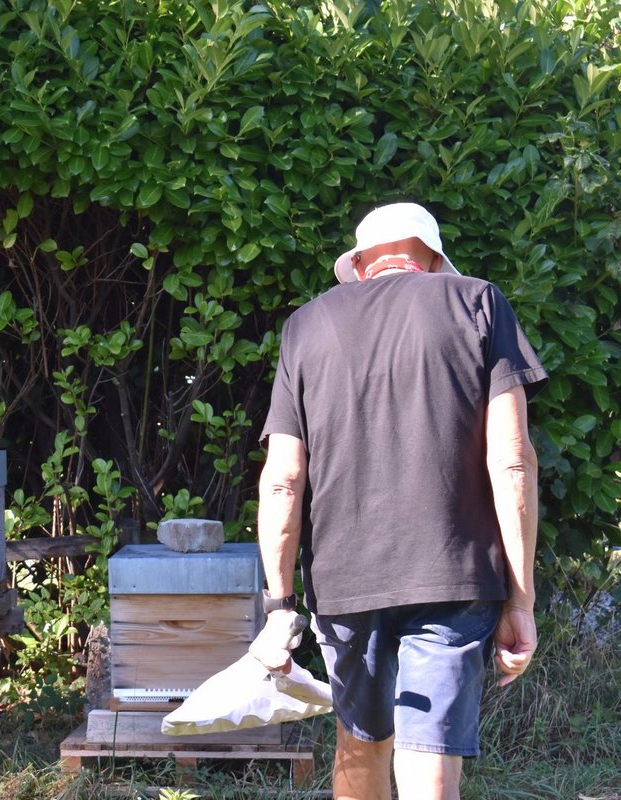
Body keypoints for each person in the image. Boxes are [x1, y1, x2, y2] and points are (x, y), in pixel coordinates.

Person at [250, 202, 547, 800]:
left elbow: (283, 478)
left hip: (343, 580)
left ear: (359, 266)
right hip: (452, 574)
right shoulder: (477, 302)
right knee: (429, 756)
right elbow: (511, 460)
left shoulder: (305, 325)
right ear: (433, 261)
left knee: (360, 745)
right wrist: (521, 597)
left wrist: (280, 602)